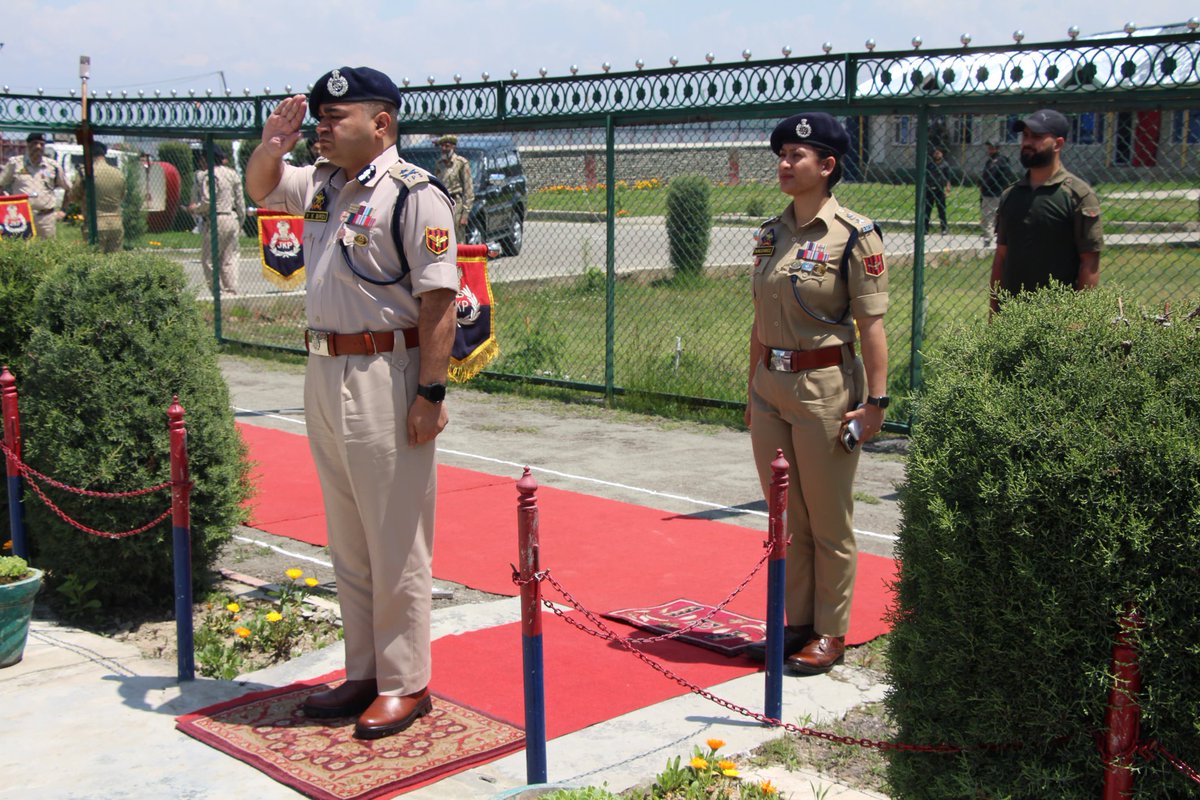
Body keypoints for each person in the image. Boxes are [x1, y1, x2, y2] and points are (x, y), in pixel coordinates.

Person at [246, 66, 459, 739]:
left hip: (383, 372)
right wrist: (272, 143)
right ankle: (363, 672)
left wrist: (430, 393)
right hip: (324, 369)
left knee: (395, 537)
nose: (321, 128)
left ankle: (406, 683)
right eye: (319, 117)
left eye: (336, 117)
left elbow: (440, 303)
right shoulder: (320, 185)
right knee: (349, 538)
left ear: (382, 124)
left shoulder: (416, 194)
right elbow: (260, 189)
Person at [745, 113, 890, 675]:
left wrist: (875, 404)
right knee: (787, 517)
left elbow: (871, 325)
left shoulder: (854, 234)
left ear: (827, 166)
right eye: (781, 153)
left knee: (828, 518)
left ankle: (831, 631)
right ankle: (796, 624)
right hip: (770, 389)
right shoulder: (770, 233)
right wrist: (751, 387)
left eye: (796, 155)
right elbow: (759, 318)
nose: (784, 163)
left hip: (823, 387)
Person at [990, 109, 1103, 315]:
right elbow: (1001, 257)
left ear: (1058, 144)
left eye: (1037, 137)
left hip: (1057, 320)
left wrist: (1078, 320)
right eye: (1025, 136)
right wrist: (994, 313)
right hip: (1012, 318)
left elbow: (1090, 261)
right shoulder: (1010, 196)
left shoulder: (1078, 195)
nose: (1027, 142)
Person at [189, 147, 246, 295]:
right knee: (229, 258)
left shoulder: (209, 176)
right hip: (231, 217)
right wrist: (240, 220)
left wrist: (195, 208)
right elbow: (240, 201)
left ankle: (217, 292)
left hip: (216, 218)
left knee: (209, 259)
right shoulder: (232, 174)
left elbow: (208, 201)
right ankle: (231, 291)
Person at [0, 132, 70, 238]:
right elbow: (1, 184)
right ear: (27, 145)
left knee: (47, 250)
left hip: (45, 218)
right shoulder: (15, 164)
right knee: (21, 249)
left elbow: (68, 188)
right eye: (35, 143)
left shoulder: (52, 166)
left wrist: (63, 210)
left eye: (42, 144)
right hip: (21, 217)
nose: (38, 147)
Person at [68, 141, 125, 253]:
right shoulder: (118, 173)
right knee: (116, 263)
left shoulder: (85, 173)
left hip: (95, 223)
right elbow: (121, 196)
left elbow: (74, 196)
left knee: (95, 262)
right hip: (116, 222)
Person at [434, 134, 474, 241]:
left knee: (457, 238)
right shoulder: (439, 164)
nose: (444, 149)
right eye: (442, 146)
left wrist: (465, 214)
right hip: (441, 202)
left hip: (456, 203)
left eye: (447, 146)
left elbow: (468, 189)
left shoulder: (461, 163)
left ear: (453, 147)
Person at [978, 140, 1014, 247]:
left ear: (997, 148)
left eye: (992, 148)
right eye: (989, 148)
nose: (989, 150)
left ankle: (988, 238)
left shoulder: (1001, 161)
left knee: (990, 215)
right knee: (988, 215)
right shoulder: (990, 161)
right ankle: (989, 236)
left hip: (995, 192)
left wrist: (1002, 188)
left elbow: (1003, 176)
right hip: (987, 192)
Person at [922, 147, 950, 235]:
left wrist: (947, 189)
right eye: (935, 153)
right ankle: (925, 229)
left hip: (940, 190)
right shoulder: (929, 165)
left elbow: (948, 178)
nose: (937, 154)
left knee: (941, 210)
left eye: (939, 152)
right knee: (927, 210)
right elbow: (925, 176)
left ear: (942, 154)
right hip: (929, 189)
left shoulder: (945, 165)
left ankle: (944, 228)